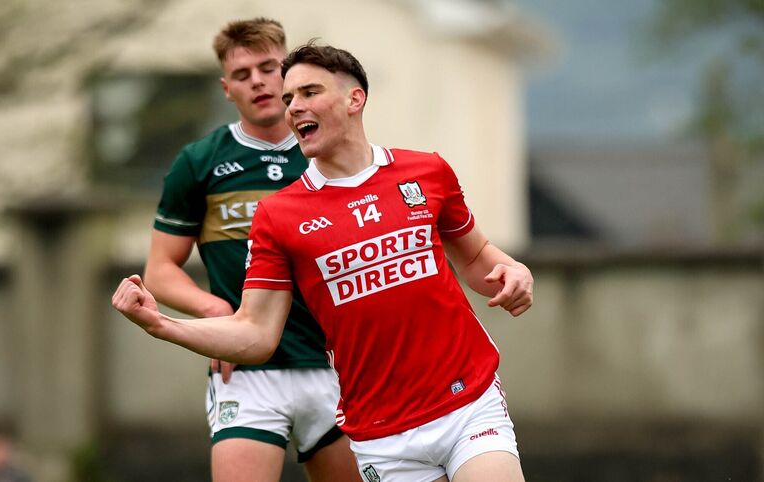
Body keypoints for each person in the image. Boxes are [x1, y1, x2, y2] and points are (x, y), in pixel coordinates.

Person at [115, 41, 533, 482]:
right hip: (381, 434)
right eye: (289, 98)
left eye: (309, 93)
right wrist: (161, 324)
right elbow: (255, 333)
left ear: (355, 99)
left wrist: (514, 272)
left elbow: (478, 261)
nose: (295, 107)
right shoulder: (279, 215)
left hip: (468, 402)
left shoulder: (426, 172)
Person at [141, 20, 359, 482]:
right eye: (242, 74)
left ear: (289, 73)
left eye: (268, 68)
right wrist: (215, 310)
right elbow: (160, 270)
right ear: (226, 88)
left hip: (336, 367)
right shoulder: (199, 162)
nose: (258, 81)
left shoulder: (331, 153)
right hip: (247, 372)